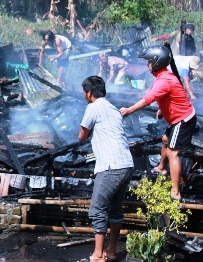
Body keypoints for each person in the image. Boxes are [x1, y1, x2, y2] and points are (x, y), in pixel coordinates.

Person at [120, 46, 196, 201]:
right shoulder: (163, 76)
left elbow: (148, 99)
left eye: (149, 62)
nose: (147, 65)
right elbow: (172, 96)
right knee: (165, 140)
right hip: (178, 117)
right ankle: (161, 168)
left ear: (156, 63)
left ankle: (176, 191)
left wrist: (129, 110)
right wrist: (163, 110)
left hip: (183, 120)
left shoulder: (164, 80)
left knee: (172, 153)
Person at [77, 76, 134, 262]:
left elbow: (81, 136)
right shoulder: (112, 108)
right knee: (115, 210)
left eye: (84, 92)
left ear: (89, 93)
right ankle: (111, 251)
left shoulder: (93, 107)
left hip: (110, 166)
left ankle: (98, 255)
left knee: (97, 209)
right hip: (126, 164)